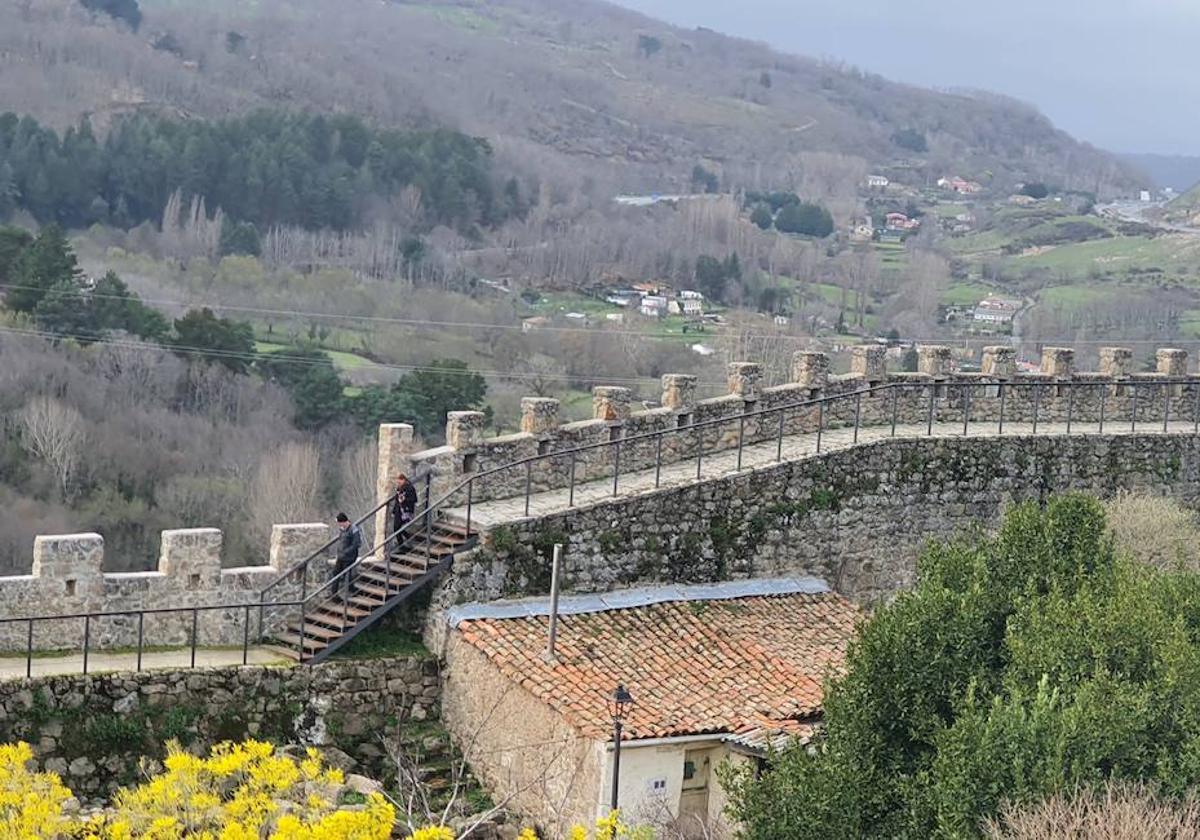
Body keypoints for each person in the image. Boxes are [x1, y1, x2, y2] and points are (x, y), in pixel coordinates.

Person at [333, 512, 362, 593]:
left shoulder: (353, 529)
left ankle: (351, 590)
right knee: (336, 574)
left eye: (339, 523)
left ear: (343, 521)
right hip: (341, 556)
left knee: (347, 575)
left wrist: (346, 552)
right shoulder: (342, 530)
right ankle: (334, 594)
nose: (339, 525)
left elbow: (356, 543)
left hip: (349, 557)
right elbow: (341, 542)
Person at [390, 473, 419, 552]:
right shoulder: (399, 489)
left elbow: (414, 499)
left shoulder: (410, 488)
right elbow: (397, 500)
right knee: (396, 528)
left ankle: (406, 541)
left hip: (406, 510)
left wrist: (405, 499)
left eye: (399, 482)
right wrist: (393, 511)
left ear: (404, 480)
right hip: (398, 511)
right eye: (398, 482)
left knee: (398, 528)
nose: (398, 484)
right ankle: (403, 544)